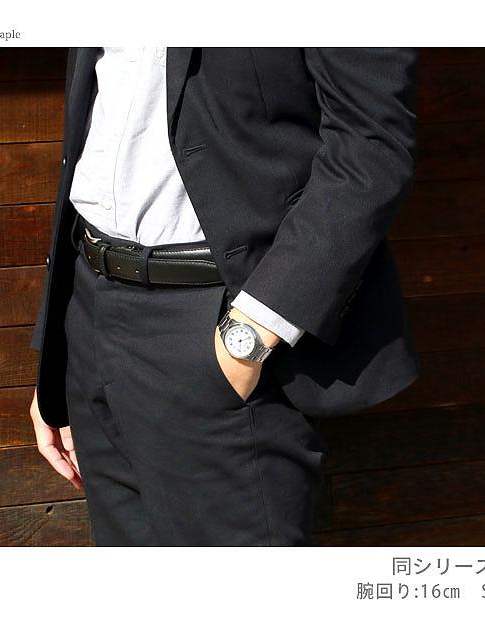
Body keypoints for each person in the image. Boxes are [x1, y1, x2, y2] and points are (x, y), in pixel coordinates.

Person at [29, 47, 419, 546]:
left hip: (218, 325)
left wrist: (251, 335)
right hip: (91, 313)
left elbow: (373, 143)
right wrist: (56, 359)